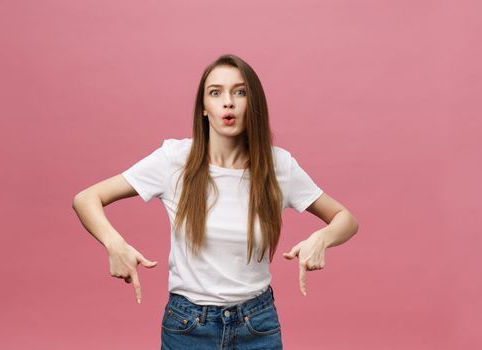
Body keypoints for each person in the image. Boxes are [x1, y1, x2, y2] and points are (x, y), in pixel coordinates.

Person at [72, 53, 359, 349]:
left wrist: (322, 238)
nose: (228, 102)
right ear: (204, 109)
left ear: (253, 104)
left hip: (257, 325)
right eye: (215, 93)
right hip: (188, 327)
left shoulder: (278, 166)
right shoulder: (175, 160)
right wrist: (114, 243)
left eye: (239, 92)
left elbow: (346, 219)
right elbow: (87, 198)